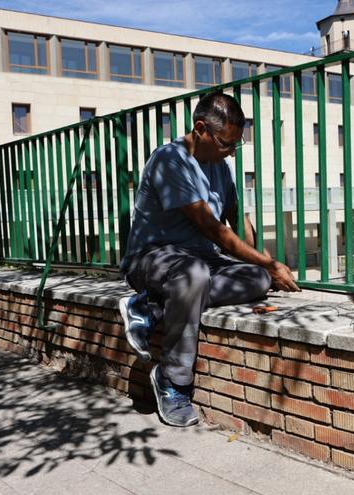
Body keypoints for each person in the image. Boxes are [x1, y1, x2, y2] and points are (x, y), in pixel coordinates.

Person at [118, 92, 300, 427]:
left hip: (199, 261)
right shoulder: (171, 160)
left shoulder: (220, 165)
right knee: (193, 276)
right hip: (153, 258)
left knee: (256, 279)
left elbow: (234, 216)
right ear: (200, 128)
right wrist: (271, 264)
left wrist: (264, 265)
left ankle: (151, 309)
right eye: (226, 143)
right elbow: (214, 229)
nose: (231, 151)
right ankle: (174, 382)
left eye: (236, 145)